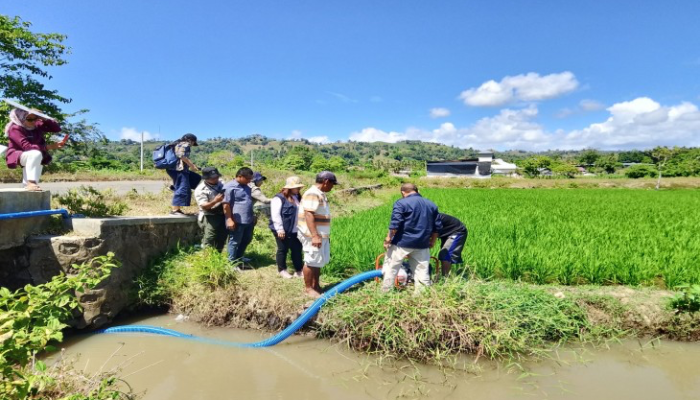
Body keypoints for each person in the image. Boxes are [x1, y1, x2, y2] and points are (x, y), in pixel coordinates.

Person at [382, 183, 442, 294]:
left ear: (403, 192)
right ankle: (422, 296)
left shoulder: (401, 203)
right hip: (422, 243)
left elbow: (395, 224)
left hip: (402, 243)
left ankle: (385, 293)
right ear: (417, 191)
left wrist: (388, 239)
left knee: (391, 268)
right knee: (422, 271)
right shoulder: (431, 204)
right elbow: (437, 227)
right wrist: (432, 241)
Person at [298, 171, 338, 298]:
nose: (332, 187)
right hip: (311, 235)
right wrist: (315, 235)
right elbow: (309, 214)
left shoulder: (320, 194)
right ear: (326, 181)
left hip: (320, 234)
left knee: (317, 261)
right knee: (311, 260)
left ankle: (316, 286)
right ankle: (309, 288)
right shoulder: (312, 193)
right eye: (332, 184)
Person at [4, 108, 64, 191]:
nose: (33, 121)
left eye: (35, 118)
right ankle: (31, 182)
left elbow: (56, 129)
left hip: (34, 155)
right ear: (20, 119)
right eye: (29, 119)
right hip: (17, 154)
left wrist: (44, 118)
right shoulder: (15, 128)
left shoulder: (36, 125)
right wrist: (48, 147)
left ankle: (28, 186)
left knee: (38, 156)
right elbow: (27, 147)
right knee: (35, 154)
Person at [270, 176, 305, 279]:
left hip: (295, 229)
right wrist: (280, 229)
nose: (299, 189)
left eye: (299, 187)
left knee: (297, 249)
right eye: (296, 187)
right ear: (289, 188)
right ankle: (282, 270)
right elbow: (275, 215)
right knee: (283, 249)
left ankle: (299, 270)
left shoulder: (297, 197)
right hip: (283, 229)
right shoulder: (279, 198)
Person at [223, 167, 255, 268]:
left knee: (247, 239)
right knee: (235, 241)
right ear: (240, 176)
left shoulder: (246, 186)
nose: (249, 181)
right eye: (248, 179)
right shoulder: (230, 187)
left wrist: (253, 215)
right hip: (237, 220)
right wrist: (229, 219)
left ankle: (239, 257)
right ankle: (231, 264)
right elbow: (226, 205)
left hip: (248, 219)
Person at [167, 133, 201, 215]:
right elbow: (181, 156)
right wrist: (192, 166)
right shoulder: (185, 144)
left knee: (196, 178)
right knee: (182, 187)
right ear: (190, 140)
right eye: (193, 143)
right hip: (178, 170)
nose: (192, 145)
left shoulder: (178, 144)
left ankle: (175, 187)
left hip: (177, 170)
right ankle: (175, 210)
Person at [194, 167, 227, 251]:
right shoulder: (200, 189)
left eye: (217, 177)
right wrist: (215, 201)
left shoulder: (221, 182)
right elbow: (204, 206)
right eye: (213, 178)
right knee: (210, 236)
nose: (216, 179)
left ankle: (218, 254)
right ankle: (206, 256)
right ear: (206, 178)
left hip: (222, 213)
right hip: (209, 214)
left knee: (222, 235)